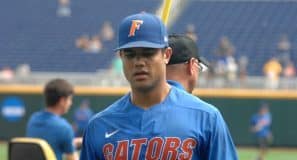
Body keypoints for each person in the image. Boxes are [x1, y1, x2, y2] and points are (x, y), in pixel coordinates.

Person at [80, 12, 237, 160]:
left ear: (166, 55)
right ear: (121, 57)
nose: (139, 62)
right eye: (130, 54)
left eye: (148, 53)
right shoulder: (99, 126)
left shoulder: (206, 117)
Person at [26, 79, 79, 160]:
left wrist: (73, 142)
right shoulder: (64, 128)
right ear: (62, 101)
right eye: (69, 99)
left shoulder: (33, 120)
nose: (70, 103)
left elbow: (51, 141)